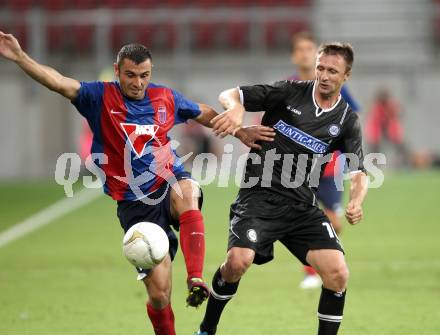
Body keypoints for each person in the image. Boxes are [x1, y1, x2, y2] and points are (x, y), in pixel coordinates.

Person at [0, 32, 275, 335]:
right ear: (117, 71)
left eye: (144, 75)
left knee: (187, 191)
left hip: (167, 181)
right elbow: (59, 82)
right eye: (130, 75)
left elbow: (203, 112)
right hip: (134, 205)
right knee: (159, 296)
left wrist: (239, 132)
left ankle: (195, 277)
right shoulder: (98, 97)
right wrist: (20, 57)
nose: (138, 82)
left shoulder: (165, 97)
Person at [196, 42, 369, 335]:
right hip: (258, 196)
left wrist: (356, 200)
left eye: (332, 71)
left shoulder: (346, 120)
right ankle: (206, 329)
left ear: (346, 76)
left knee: (338, 273)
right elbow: (230, 94)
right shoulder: (288, 92)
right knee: (237, 263)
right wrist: (236, 108)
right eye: (321, 68)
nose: (324, 76)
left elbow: (359, 170)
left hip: (301, 206)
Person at [289, 31, 361, 289]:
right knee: (299, 218)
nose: (305, 54)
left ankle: (319, 265)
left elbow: (352, 118)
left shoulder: (336, 86)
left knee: (334, 221)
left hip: (329, 166)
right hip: (296, 167)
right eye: (301, 49)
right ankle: (312, 270)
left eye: (310, 49)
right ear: (294, 55)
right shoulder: (291, 88)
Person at [365, 87, 407, 167]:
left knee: (400, 147)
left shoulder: (391, 105)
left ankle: (403, 163)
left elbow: (399, 113)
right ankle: (373, 166)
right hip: (377, 130)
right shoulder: (376, 107)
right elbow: (375, 120)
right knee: (374, 148)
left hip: (390, 129)